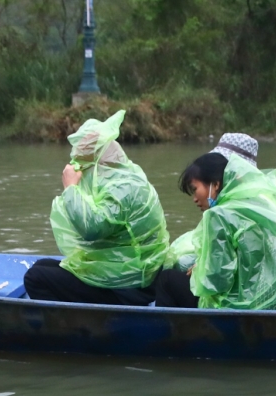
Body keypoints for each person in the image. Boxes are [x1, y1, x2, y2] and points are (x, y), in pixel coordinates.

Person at [25, 110, 169, 305]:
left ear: (96, 160)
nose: (80, 170)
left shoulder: (121, 189)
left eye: (82, 164)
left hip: (132, 286)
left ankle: (77, 327)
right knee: (43, 265)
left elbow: (91, 229)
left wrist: (71, 189)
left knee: (35, 277)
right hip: (133, 272)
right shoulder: (127, 177)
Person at [155, 152, 276, 310]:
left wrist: (198, 271)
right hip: (267, 296)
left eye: (195, 189)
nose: (195, 199)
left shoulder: (217, 215)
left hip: (234, 306)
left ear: (215, 184)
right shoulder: (256, 203)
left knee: (166, 279)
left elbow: (217, 280)